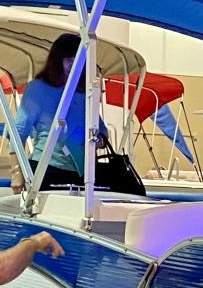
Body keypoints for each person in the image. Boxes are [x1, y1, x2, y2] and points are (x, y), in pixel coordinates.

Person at [11, 33, 144, 195]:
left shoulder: (85, 91)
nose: (74, 66)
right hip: (46, 170)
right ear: (57, 61)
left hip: (84, 174)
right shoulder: (38, 89)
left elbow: (101, 131)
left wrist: (95, 141)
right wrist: (17, 172)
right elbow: (18, 132)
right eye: (69, 60)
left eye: (79, 61)